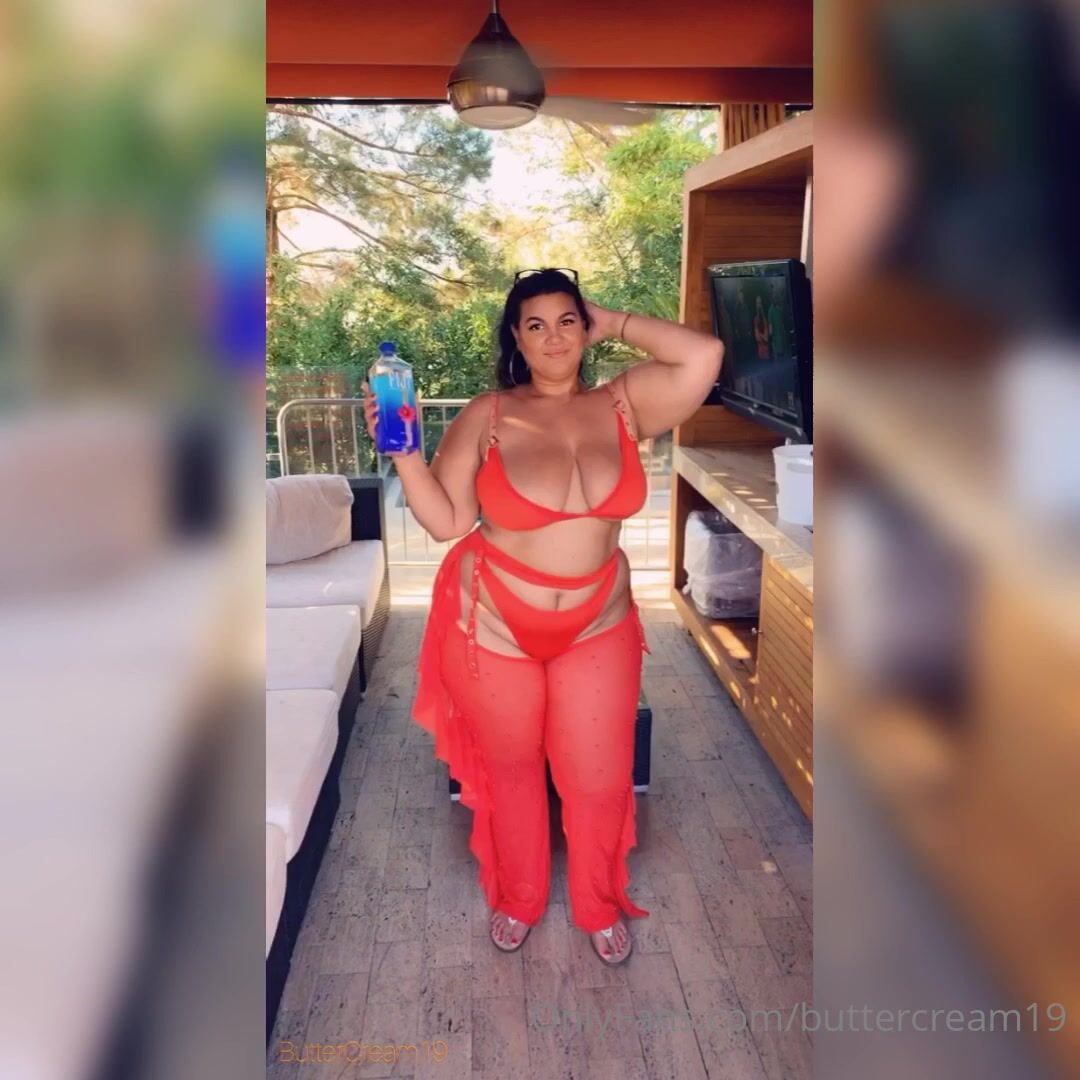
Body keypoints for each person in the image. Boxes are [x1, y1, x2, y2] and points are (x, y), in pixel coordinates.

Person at [362, 268, 724, 965]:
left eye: (567, 321)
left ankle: (598, 902)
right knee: (513, 772)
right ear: (516, 339)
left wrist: (611, 319)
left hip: (597, 621)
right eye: (536, 325)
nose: (554, 337)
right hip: (493, 621)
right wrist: (403, 456)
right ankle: (519, 897)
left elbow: (703, 355)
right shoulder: (488, 414)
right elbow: (447, 521)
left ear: (585, 329)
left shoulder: (624, 404)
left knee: (598, 777)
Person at [753, 294, 772, 359]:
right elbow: (756, 330)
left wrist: (765, 337)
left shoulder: (765, 315)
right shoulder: (755, 318)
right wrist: (761, 336)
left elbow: (766, 326)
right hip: (760, 344)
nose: (759, 304)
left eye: (760, 302)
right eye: (758, 303)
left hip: (765, 342)